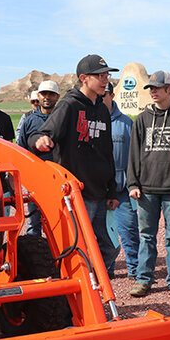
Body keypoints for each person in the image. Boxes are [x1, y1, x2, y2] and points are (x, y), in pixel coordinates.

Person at [28, 55, 120, 276]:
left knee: (111, 247)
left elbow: (107, 152)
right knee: (78, 248)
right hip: (78, 195)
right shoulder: (69, 105)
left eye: (106, 74)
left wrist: (112, 189)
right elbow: (40, 133)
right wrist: (39, 140)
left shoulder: (102, 110)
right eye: (100, 75)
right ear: (84, 78)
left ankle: (89, 282)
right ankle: (77, 293)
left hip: (101, 193)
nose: (105, 79)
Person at [126, 70, 170, 299]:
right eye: (150, 88)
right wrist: (132, 184)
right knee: (146, 236)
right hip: (146, 191)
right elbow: (134, 154)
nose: (153, 91)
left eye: (157, 87)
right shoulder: (143, 119)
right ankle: (143, 279)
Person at [101, 82, 139, 280]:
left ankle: (135, 269)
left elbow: (134, 157)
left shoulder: (126, 123)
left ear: (112, 95)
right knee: (105, 234)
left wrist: (132, 183)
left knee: (129, 231)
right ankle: (107, 269)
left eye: (104, 94)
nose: (101, 97)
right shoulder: (92, 122)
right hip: (99, 191)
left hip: (122, 189)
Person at [17, 81, 60, 236]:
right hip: (36, 179)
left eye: (51, 94)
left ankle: (58, 258)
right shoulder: (29, 121)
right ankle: (34, 258)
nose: (47, 97)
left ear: (57, 97)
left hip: (58, 178)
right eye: (43, 94)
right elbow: (21, 150)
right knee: (34, 222)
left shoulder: (63, 119)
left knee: (59, 220)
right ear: (38, 96)